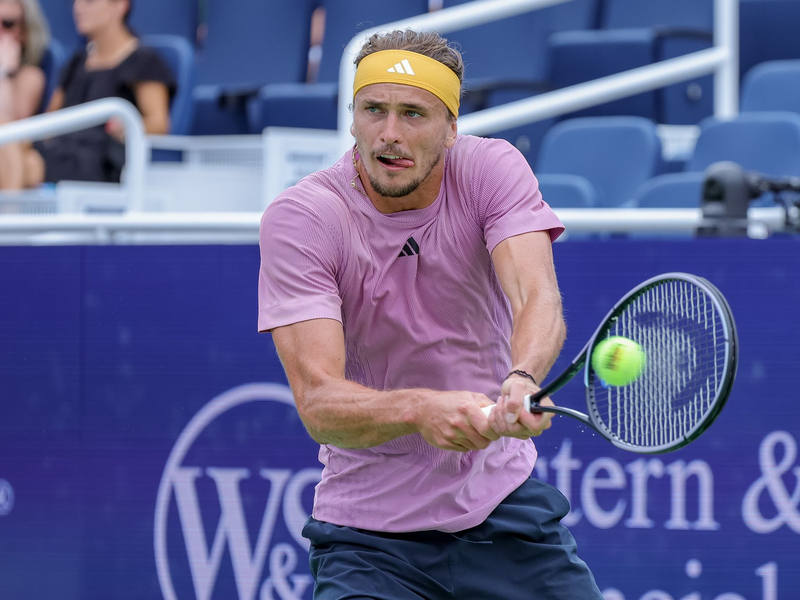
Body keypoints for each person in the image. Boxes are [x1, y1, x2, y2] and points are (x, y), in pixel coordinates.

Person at [258, 29, 603, 600]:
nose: (389, 135)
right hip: (369, 544)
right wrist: (420, 409)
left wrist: (521, 377)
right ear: (352, 119)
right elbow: (318, 403)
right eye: (373, 110)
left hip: (503, 516)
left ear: (451, 129)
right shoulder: (302, 218)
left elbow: (536, 296)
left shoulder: (491, 169)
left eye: (413, 114)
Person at [14, 0, 174, 188]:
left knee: (23, 165)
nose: (78, 8)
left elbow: (159, 124)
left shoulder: (143, 60)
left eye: (89, 2)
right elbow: (50, 122)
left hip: (100, 161)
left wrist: (125, 127)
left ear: (120, 5)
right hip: (59, 151)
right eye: (76, 2)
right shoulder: (77, 62)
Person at [0, 0, 49, 190]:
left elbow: (12, 128)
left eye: (8, 23)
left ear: (23, 32)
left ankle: (10, 217)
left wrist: (5, 73)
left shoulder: (30, 77)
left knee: (32, 164)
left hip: (10, 156)